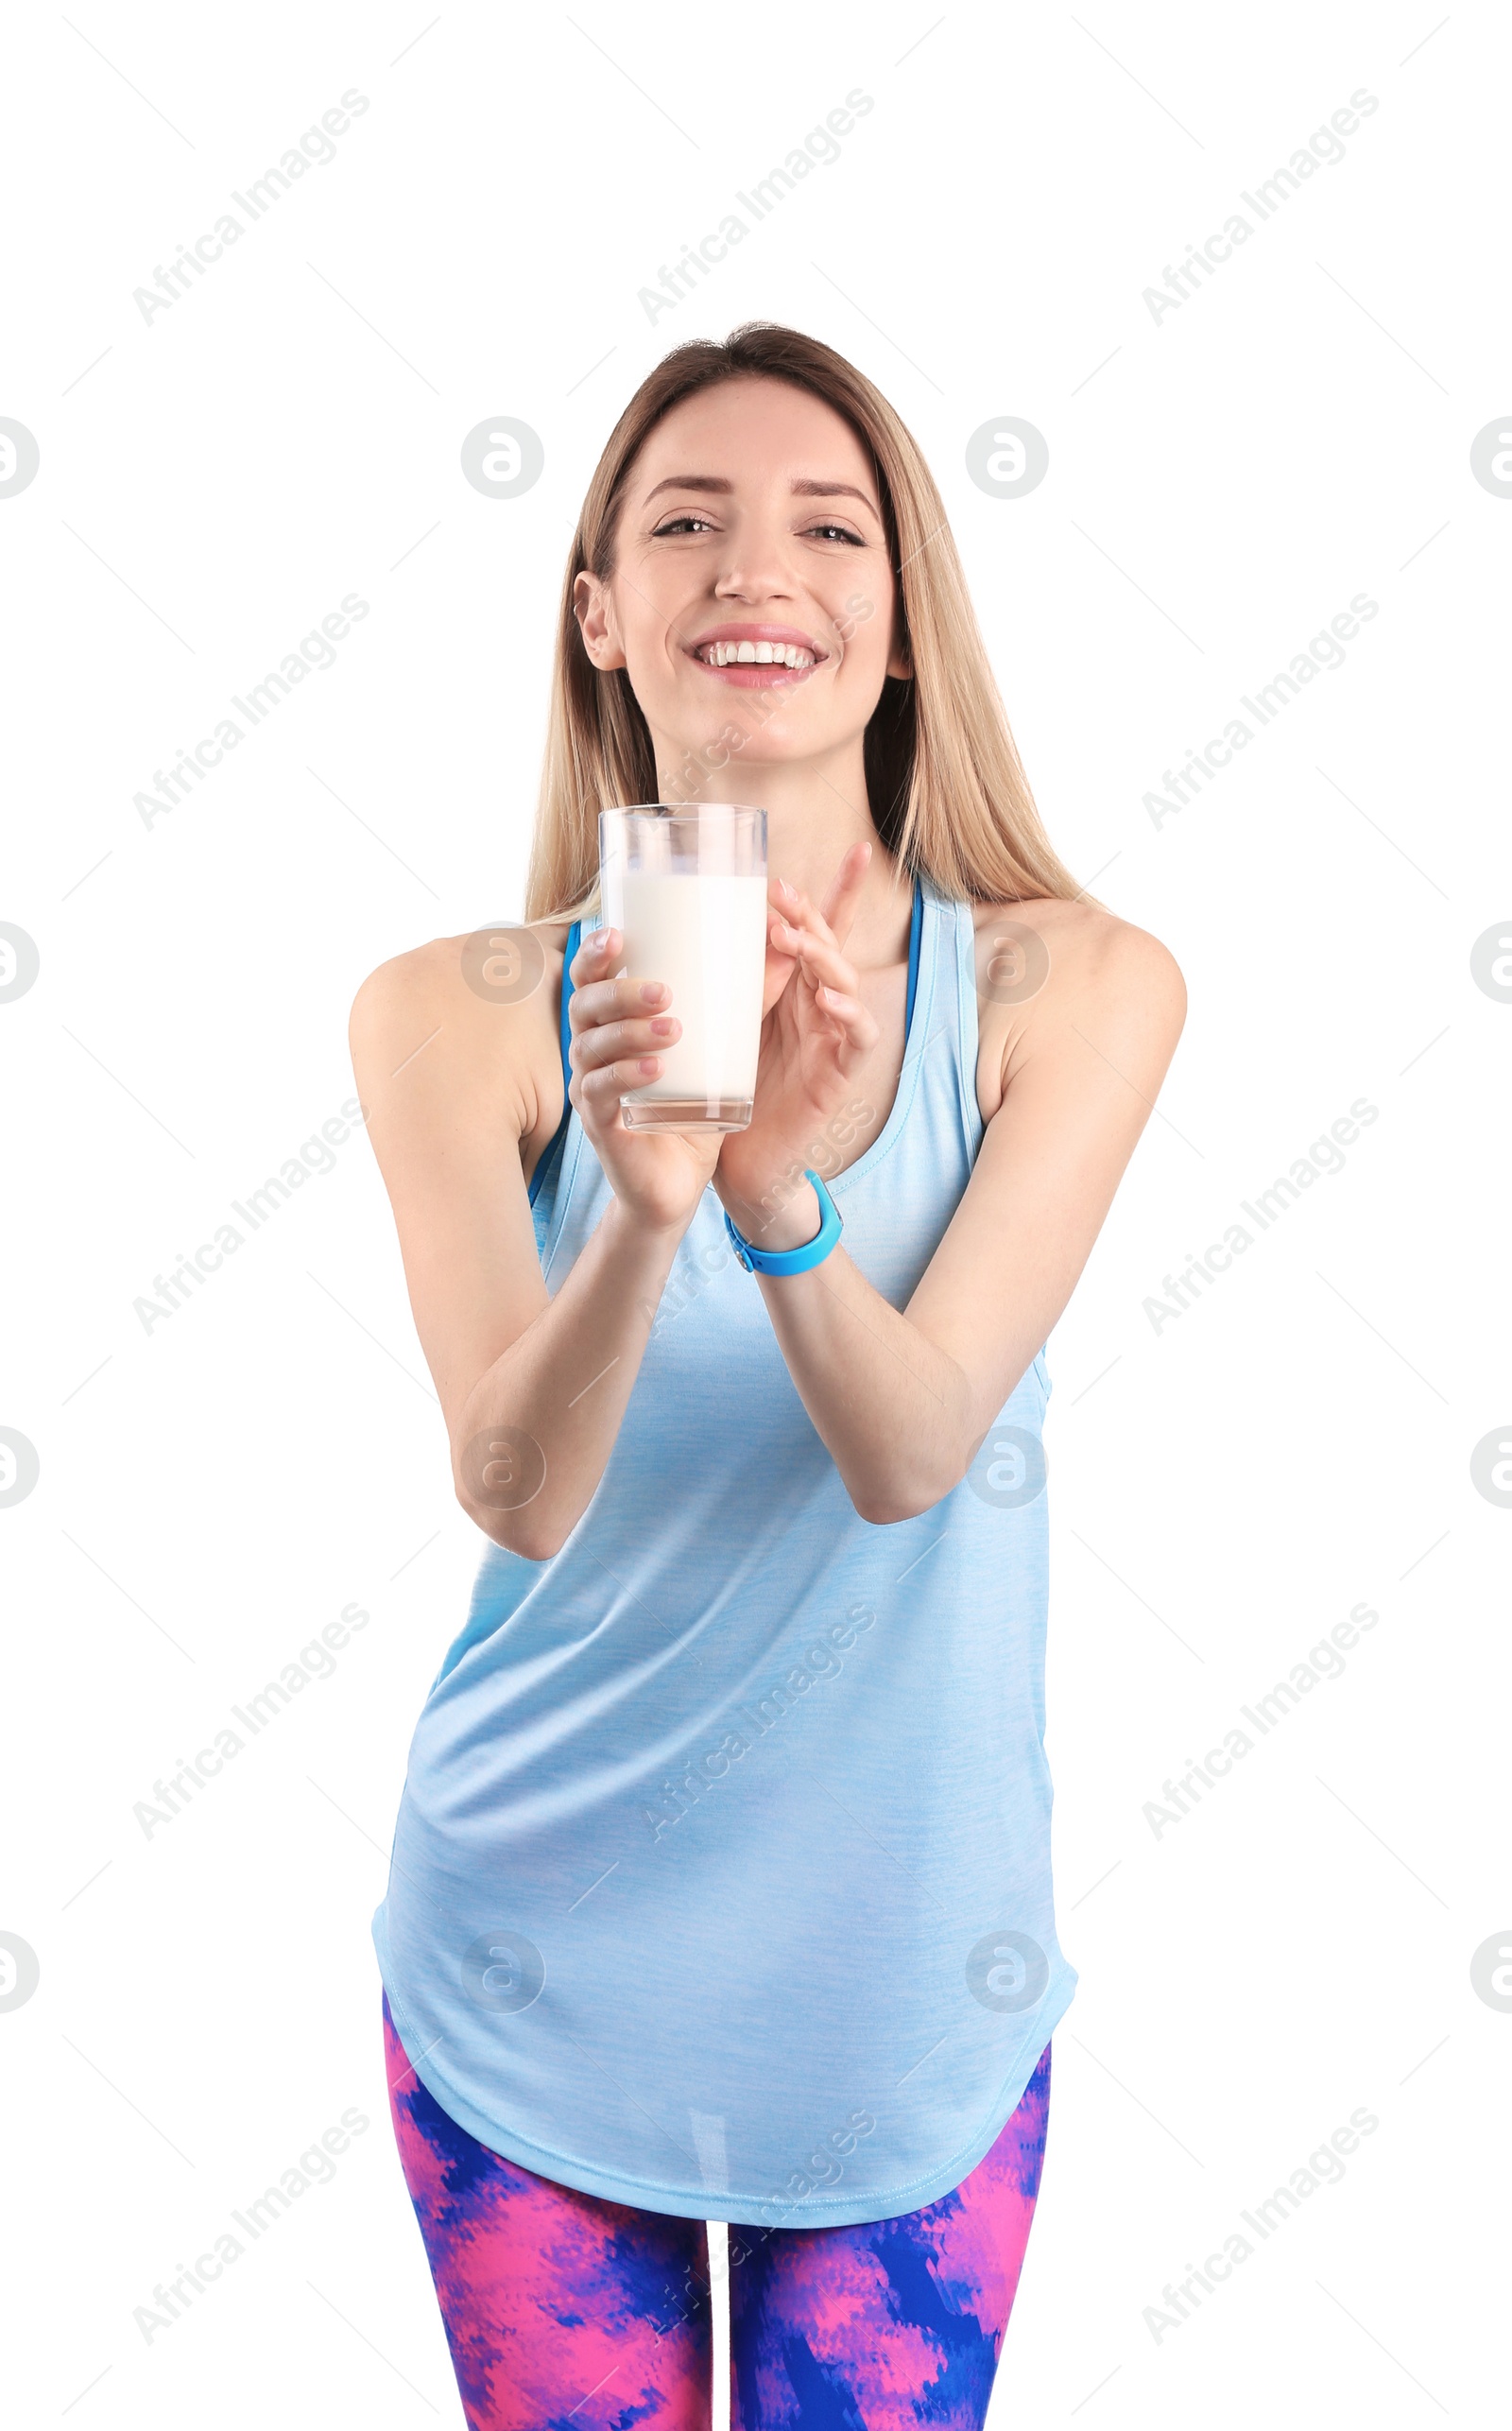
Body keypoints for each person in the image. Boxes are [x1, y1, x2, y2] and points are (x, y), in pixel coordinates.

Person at [350, 322, 1185, 2430]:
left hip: (898, 1985)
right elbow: (517, 1484)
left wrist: (781, 1191)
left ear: (899, 626)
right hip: (531, 1963)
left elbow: (909, 1447)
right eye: (683, 522)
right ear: (599, 614)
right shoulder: (447, 1014)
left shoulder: (1067, 985)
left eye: (828, 526)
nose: (756, 570)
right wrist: (640, 1205)